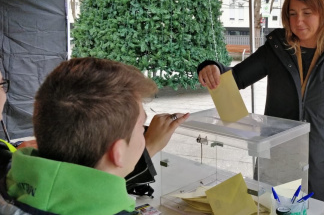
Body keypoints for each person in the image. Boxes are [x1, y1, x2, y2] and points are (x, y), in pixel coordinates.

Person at [197, 0, 324, 205]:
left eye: (307, 13)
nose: (298, 21)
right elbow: (236, 78)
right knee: (272, 209)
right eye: (292, 13)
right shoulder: (277, 47)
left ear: (323, 11)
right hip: (277, 160)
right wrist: (212, 68)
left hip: (323, 165)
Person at [0, 57, 189, 214]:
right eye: (141, 127)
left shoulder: (8, 183)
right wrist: (150, 147)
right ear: (118, 153)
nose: (144, 131)